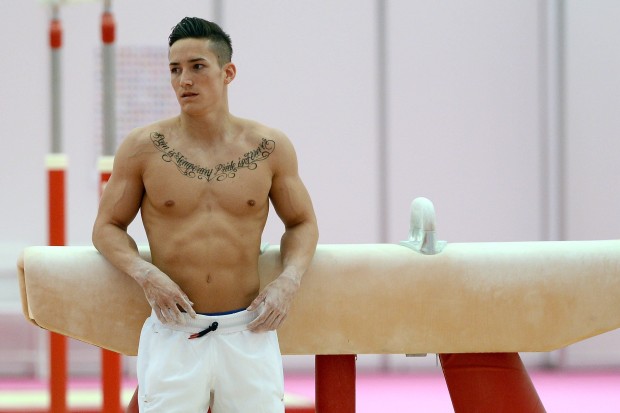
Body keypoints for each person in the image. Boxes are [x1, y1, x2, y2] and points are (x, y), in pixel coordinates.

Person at [92, 16, 319, 413]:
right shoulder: (142, 148)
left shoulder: (269, 147)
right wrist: (145, 274)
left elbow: (302, 223)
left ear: (227, 72)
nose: (184, 80)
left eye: (197, 67)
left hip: (249, 329)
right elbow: (106, 227)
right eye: (175, 70)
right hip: (176, 331)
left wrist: (289, 279)